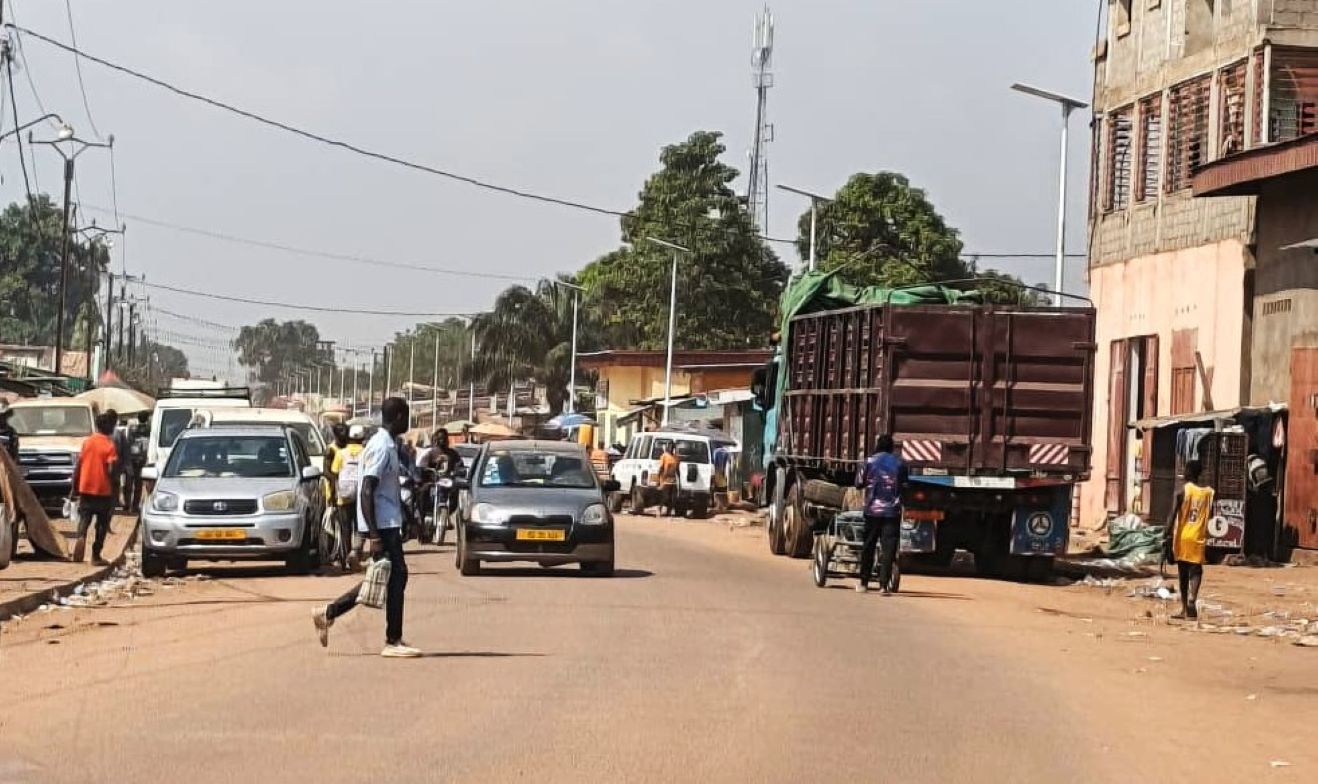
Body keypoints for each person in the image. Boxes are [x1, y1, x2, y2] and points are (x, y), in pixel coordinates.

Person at [313, 397, 419, 657]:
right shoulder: (381, 446)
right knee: (395, 576)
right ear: (397, 417)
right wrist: (372, 533)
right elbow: (367, 490)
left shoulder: (388, 445)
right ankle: (392, 640)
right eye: (406, 417)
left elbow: (386, 490)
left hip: (388, 521)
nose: (408, 422)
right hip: (382, 525)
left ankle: (328, 613)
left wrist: (408, 516)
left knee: (386, 578)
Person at [855, 434, 908, 595]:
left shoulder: (869, 462)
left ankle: (864, 583)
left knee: (868, 547)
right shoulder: (900, 463)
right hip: (892, 512)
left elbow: (858, 483)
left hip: (872, 511)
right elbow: (905, 484)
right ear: (891, 447)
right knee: (889, 549)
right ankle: (883, 586)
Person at [71, 412, 121, 566]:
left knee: (84, 517)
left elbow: (79, 465)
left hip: (85, 487)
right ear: (107, 426)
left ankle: (81, 535)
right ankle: (96, 555)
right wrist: (115, 487)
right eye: (112, 426)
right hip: (103, 490)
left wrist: (74, 486)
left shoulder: (87, 442)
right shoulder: (109, 444)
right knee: (101, 524)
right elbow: (112, 469)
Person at [1169, 459, 1215, 621]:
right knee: (1196, 571)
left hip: (1182, 537)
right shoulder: (1208, 494)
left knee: (1182, 573)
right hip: (1198, 537)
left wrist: (1166, 536)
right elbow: (1213, 516)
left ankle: (1184, 609)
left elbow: (1172, 516)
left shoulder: (1182, 491)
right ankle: (1192, 600)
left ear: (1188, 473)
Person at [326, 424, 364, 571]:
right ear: (363, 438)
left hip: (343, 496)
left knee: (345, 529)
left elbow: (334, 473)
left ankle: (345, 560)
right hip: (361, 497)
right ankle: (356, 554)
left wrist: (335, 494)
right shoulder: (366, 452)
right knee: (360, 528)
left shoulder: (341, 453)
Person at [123, 411, 151, 514]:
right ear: (147, 419)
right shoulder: (150, 429)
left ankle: (127, 505)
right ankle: (135, 506)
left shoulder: (132, 429)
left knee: (129, 484)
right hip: (142, 459)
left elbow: (128, 442)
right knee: (138, 485)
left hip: (131, 459)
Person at [657, 441, 680, 517]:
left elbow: (677, 469)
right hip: (665, 479)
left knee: (672, 498)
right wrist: (658, 479)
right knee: (665, 497)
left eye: (672, 446)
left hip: (673, 480)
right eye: (669, 446)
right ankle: (659, 509)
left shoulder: (676, 457)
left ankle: (669, 512)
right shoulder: (664, 456)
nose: (671, 448)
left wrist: (679, 480)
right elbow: (660, 468)